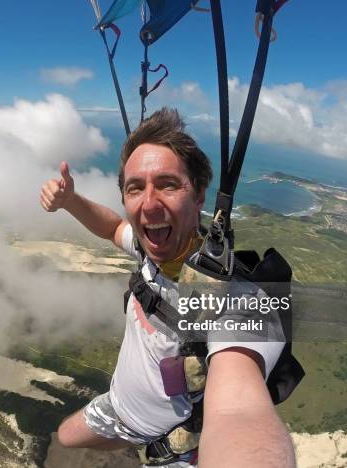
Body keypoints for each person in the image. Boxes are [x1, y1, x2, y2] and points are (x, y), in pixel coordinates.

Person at [40, 108, 296, 467]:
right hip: (121, 409)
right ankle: (137, 437)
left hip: (177, 444)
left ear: (199, 195)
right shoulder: (151, 250)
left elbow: (240, 413)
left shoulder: (241, 304)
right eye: (135, 188)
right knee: (67, 435)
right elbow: (114, 229)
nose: (148, 203)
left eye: (167, 184)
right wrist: (71, 202)